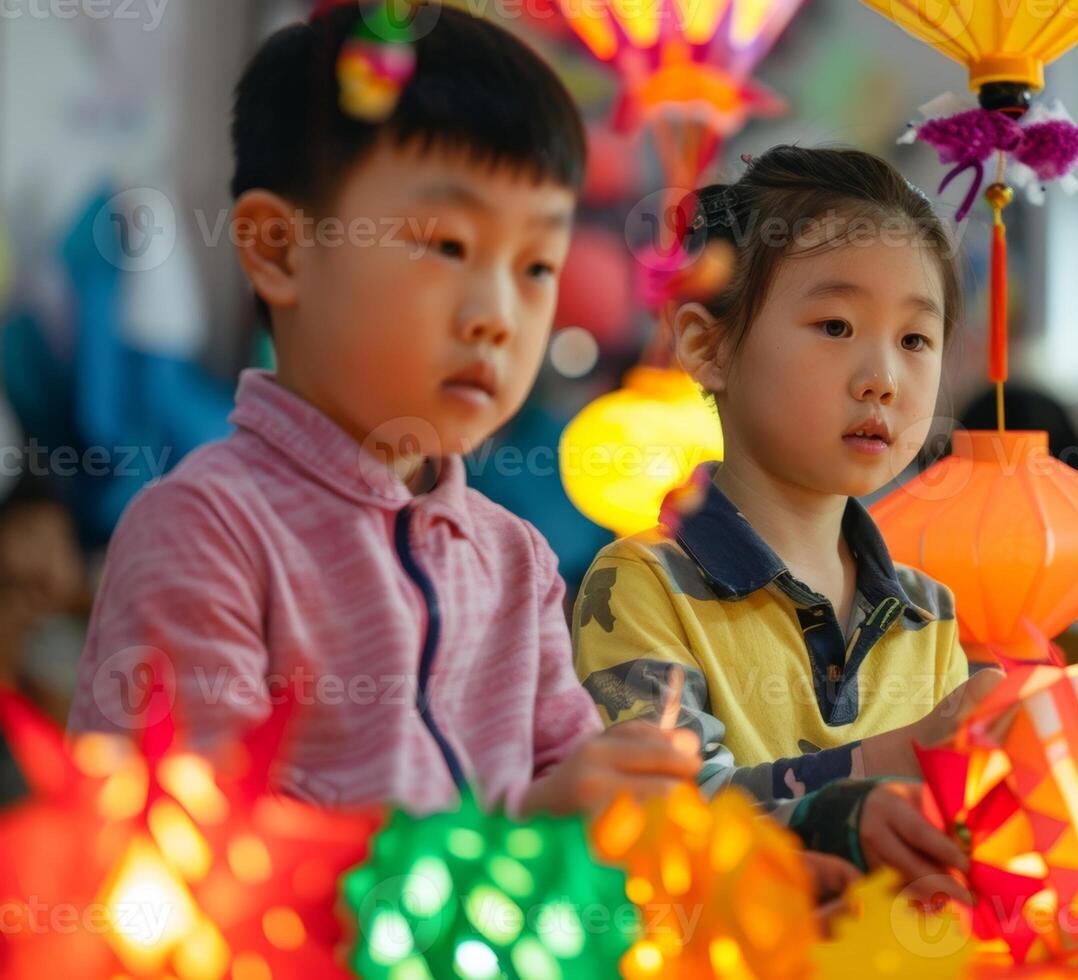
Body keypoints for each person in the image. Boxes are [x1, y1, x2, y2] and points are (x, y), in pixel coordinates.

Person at [67, 3, 697, 816]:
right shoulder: (206, 531)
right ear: (280, 249)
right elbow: (196, 858)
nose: (498, 314)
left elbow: (567, 788)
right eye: (448, 246)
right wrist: (523, 833)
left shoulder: (516, 563)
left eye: (538, 265)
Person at [574, 146, 998, 899]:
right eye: (835, 325)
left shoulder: (926, 609)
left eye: (914, 340)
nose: (882, 378)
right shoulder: (642, 584)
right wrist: (894, 758)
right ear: (707, 347)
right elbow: (664, 820)